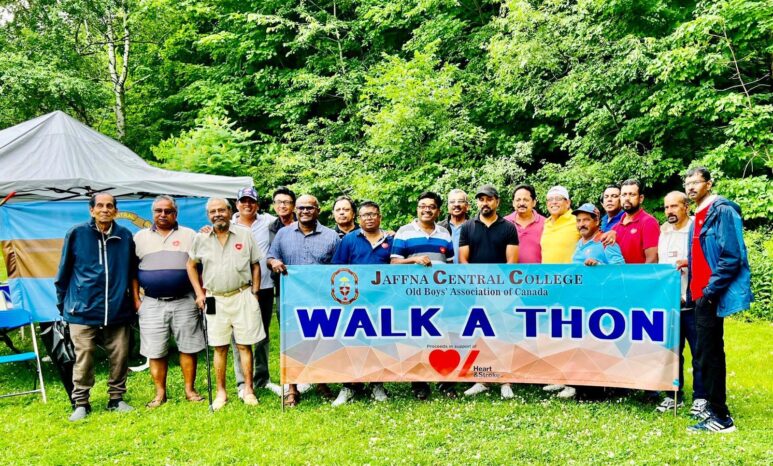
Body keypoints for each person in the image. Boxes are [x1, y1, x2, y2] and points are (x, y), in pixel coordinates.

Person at [55, 193, 137, 421]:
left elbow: (131, 271)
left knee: (120, 355)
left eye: (109, 206)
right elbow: (63, 272)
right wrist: (64, 304)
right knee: (84, 355)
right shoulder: (77, 233)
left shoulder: (124, 236)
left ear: (115, 210)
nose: (104, 209)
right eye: (99, 205)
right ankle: (81, 402)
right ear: (91, 210)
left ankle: (116, 398)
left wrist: (130, 300)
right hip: (82, 309)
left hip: (117, 308)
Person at [683, 167, 751, 433]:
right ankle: (712, 409)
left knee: (710, 355)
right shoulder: (697, 214)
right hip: (699, 293)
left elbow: (732, 256)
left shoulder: (721, 210)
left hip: (709, 295)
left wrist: (710, 292)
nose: (690, 187)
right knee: (705, 352)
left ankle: (721, 418)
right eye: (687, 183)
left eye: (695, 182)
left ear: (708, 184)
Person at [187, 198, 265, 410]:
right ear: (208, 215)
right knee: (219, 347)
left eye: (222, 210)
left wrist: (255, 293)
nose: (217, 214)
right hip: (214, 298)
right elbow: (191, 266)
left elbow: (256, 265)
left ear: (230, 212)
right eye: (213, 211)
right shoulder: (200, 237)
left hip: (242, 295)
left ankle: (248, 389)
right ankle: (221, 392)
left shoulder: (245, 234)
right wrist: (199, 293)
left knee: (244, 344)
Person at [544, 203, 625, 399]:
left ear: (597, 221)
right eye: (578, 220)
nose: (581, 224)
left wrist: (599, 267)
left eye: (586, 220)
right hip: (580, 303)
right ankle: (579, 386)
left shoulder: (606, 242)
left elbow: (622, 271)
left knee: (598, 348)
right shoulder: (579, 244)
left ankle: (600, 391)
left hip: (601, 303)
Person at [267, 194, 341, 407]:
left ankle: (320, 382)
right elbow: (270, 257)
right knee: (292, 341)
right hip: (292, 297)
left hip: (321, 299)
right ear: (295, 210)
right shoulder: (283, 234)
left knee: (320, 340)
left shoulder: (330, 236)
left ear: (318, 210)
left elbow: (338, 268)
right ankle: (292, 388)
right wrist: (274, 262)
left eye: (310, 207)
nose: (305, 211)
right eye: (301, 207)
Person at [132, 195, 205, 408]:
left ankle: (190, 390)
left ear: (176, 214)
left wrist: (201, 294)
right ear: (153, 213)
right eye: (158, 211)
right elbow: (133, 272)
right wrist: (136, 299)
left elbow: (199, 267)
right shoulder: (140, 237)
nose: (163, 215)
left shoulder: (190, 235)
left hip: (184, 300)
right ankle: (160, 393)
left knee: (188, 347)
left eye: (168, 211)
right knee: (155, 350)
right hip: (152, 302)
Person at [391, 191, 456, 399]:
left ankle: (445, 383)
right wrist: (415, 259)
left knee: (442, 338)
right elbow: (393, 263)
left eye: (431, 206)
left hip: (440, 296)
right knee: (416, 338)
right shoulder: (404, 232)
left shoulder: (445, 234)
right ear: (417, 209)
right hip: (413, 296)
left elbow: (452, 265)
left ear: (437, 211)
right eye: (422, 205)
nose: (426, 209)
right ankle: (419, 384)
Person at [330, 201, 394, 407]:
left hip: (382, 301)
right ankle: (349, 386)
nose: (369, 218)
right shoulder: (349, 240)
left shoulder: (391, 240)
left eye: (373, 214)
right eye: (365, 215)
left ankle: (377, 385)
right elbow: (337, 269)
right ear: (358, 219)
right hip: (354, 302)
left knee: (379, 343)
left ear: (380, 217)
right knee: (353, 343)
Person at [459, 185, 519, 399]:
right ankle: (481, 379)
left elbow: (511, 262)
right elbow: (463, 259)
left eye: (489, 199)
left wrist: (495, 285)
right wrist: (477, 283)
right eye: (481, 199)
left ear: (497, 202)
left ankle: (505, 380)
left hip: (501, 291)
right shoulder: (467, 227)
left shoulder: (508, 227)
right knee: (478, 336)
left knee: (503, 335)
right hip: (475, 291)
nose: (485, 203)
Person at [655, 191, 707, 415]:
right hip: (669, 303)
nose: (669, 212)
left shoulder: (697, 228)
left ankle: (701, 397)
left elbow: (708, 259)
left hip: (693, 301)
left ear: (686, 206)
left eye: (674, 207)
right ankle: (673, 395)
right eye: (666, 207)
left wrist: (689, 262)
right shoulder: (664, 231)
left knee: (699, 352)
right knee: (671, 352)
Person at [229, 187, 282, 399]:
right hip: (237, 289)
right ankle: (242, 382)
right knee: (238, 337)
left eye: (251, 201)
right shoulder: (228, 224)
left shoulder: (268, 221)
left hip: (265, 287)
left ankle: (262, 378)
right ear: (237, 204)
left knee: (262, 335)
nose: (247, 205)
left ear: (257, 204)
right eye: (243, 201)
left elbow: (289, 220)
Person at [613, 179, 660, 264]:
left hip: (639, 276)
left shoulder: (649, 222)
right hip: (618, 276)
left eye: (632, 194)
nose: (627, 198)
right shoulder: (615, 228)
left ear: (641, 198)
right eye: (624, 195)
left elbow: (652, 260)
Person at [504, 184, 545, 263]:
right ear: (513, 203)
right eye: (518, 200)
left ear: (534, 202)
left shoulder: (546, 224)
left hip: (537, 274)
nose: (521, 203)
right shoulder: (504, 223)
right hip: (509, 273)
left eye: (526, 200)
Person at [540, 186, 579, 264]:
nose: (554, 202)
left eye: (558, 199)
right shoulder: (545, 223)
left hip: (571, 275)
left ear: (568, 203)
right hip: (547, 275)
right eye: (550, 199)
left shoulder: (578, 220)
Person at [437, 189, 470, 263]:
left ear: (467, 206)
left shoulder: (475, 227)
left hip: (468, 272)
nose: (456, 204)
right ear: (448, 206)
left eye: (460, 201)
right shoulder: (439, 228)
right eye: (452, 202)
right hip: (445, 272)